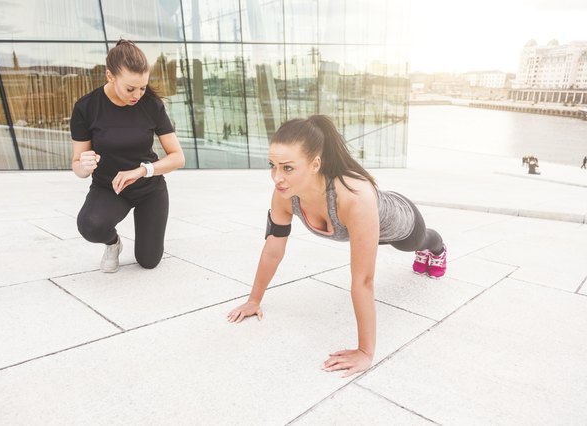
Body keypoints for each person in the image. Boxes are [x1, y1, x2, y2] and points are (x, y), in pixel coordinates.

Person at [226, 115, 446, 377]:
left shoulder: (354, 196)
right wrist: (254, 300)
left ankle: (438, 248)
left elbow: (363, 279)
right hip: (363, 230)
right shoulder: (284, 196)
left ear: (315, 163)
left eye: (287, 168)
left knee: (415, 243)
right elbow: (273, 250)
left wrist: (365, 352)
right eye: (272, 165)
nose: (277, 177)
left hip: (400, 221)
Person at [70, 39, 185, 273]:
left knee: (148, 261)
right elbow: (78, 166)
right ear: (110, 76)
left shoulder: (151, 105)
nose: (137, 95)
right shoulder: (86, 107)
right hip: (110, 188)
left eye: (142, 87)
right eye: (130, 88)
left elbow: (177, 157)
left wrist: (143, 170)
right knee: (90, 226)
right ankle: (113, 244)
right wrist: (84, 165)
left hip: (149, 188)